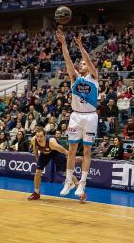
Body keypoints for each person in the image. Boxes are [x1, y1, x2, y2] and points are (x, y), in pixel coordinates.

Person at [57, 29, 99, 198]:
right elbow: (67, 60)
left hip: (90, 116)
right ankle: (69, 181)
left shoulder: (94, 77)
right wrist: (64, 44)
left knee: (87, 151)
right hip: (76, 116)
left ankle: (82, 184)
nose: (81, 64)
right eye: (80, 63)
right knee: (72, 150)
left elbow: (89, 61)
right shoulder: (74, 78)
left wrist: (80, 46)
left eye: (83, 63)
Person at [28, 127, 80, 201]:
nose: (39, 138)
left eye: (41, 136)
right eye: (37, 136)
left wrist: (73, 158)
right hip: (44, 154)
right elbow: (35, 149)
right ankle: (36, 193)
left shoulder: (52, 142)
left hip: (56, 152)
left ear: (45, 135)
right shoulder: (33, 140)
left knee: (66, 172)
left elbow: (64, 151)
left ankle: (80, 190)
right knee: (37, 172)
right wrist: (37, 159)